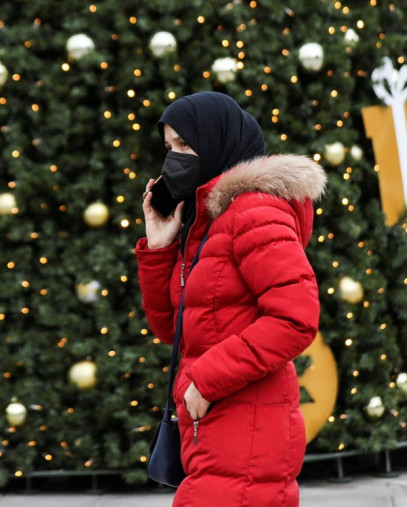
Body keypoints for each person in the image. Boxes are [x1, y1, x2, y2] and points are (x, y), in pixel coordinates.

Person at [136, 91, 326, 506]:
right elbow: (174, 330)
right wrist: (159, 248)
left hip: (249, 426)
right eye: (169, 147)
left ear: (219, 140)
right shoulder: (208, 222)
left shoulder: (255, 211)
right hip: (217, 427)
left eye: (185, 144)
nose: (175, 157)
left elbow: (295, 318)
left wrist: (205, 381)